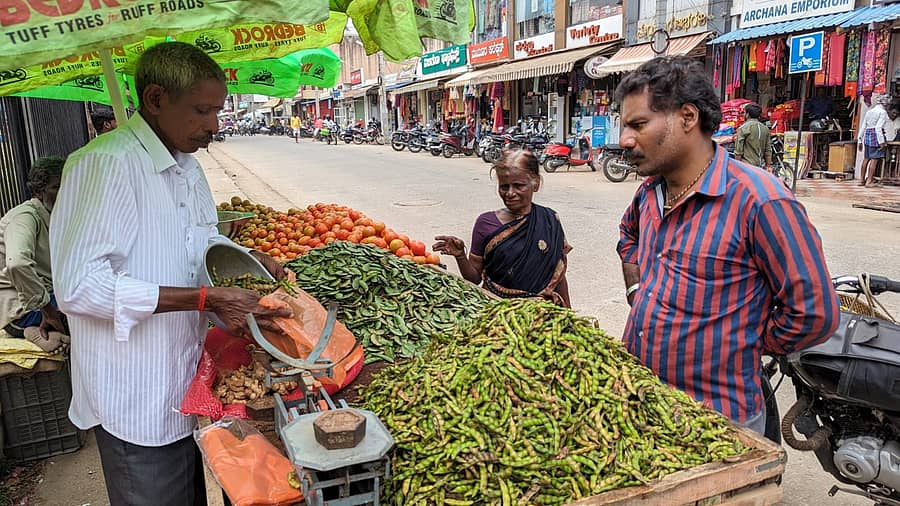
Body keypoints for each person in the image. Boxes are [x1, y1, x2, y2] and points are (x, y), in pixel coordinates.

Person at [49, 42, 291, 505]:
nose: (214, 126)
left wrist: (254, 265)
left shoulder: (189, 168)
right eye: (202, 110)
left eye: (218, 111)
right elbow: (80, 287)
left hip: (184, 382)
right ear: (157, 99)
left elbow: (199, 246)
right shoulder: (105, 164)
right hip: (134, 394)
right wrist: (204, 299)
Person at [615, 56, 839, 436]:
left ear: (687, 118)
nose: (625, 140)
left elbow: (814, 312)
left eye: (638, 124)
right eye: (625, 126)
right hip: (643, 400)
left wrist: (749, 340)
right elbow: (628, 237)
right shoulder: (649, 192)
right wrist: (638, 290)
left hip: (718, 421)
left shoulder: (761, 201)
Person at [433, 149, 571, 307]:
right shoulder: (485, 223)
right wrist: (460, 256)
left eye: (519, 186)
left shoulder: (549, 219)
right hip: (497, 312)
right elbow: (474, 279)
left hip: (543, 314)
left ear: (536, 184)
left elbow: (558, 276)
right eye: (504, 187)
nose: (510, 193)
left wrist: (569, 312)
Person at [0, 157, 67, 348]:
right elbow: (17, 262)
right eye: (56, 187)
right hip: (19, 311)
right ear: (39, 191)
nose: (64, 193)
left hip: (46, 298)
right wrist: (48, 311)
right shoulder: (24, 217)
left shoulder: (54, 217)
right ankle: (28, 330)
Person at [857, 93, 891, 187]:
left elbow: (863, 126)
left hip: (867, 134)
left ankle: (861, 180)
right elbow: (878, 128)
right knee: (874, 159)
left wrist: (860, 140)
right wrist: (881, 142)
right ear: (886, 104)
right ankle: (869, 181)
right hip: (876, 135)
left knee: (866, 158)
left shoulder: (870, 111)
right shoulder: (882, 112)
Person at [733, 103, 772, 170]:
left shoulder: (743, 128)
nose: (743, 114)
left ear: (748, 114)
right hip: (760, 167)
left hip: (747, 167)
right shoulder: (765, 129)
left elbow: (738, 151)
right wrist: (768, 165)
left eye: (744, 113)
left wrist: (737, 168)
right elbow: (768, 150)